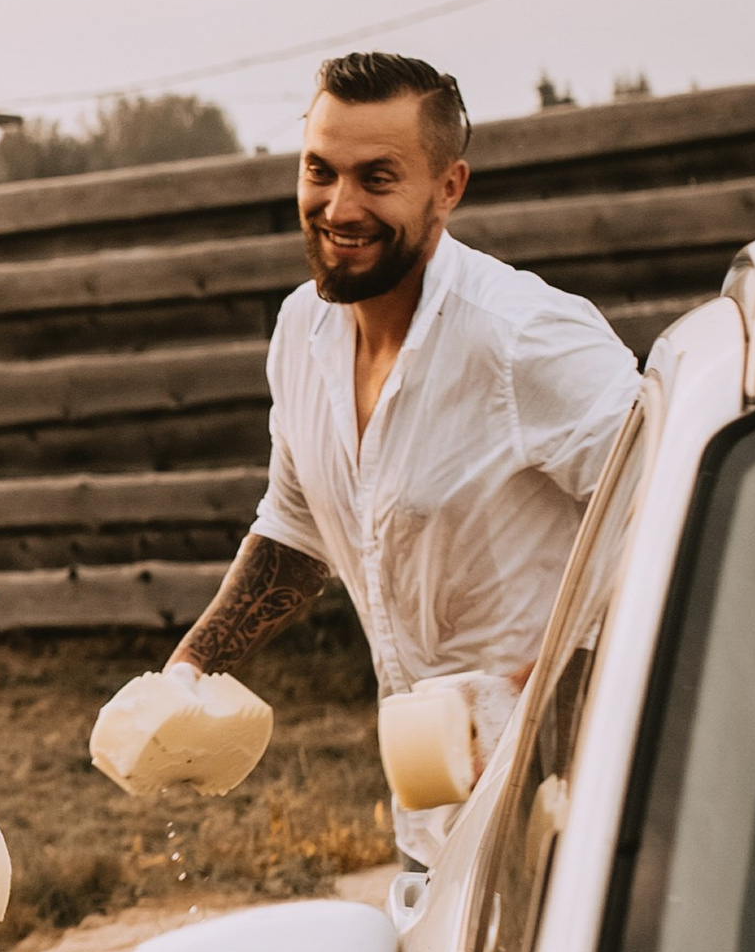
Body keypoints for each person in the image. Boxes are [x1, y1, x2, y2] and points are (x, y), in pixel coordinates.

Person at [173, 51, 639, 853]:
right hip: (434, 814)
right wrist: (185, 671)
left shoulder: (525, 338)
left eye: (377, 179)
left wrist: (539, 694)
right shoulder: (300, 332)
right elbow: (296, 529)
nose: (338, 207)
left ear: (448, 188)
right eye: (320, 171)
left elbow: (684, 510)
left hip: (580, 811)